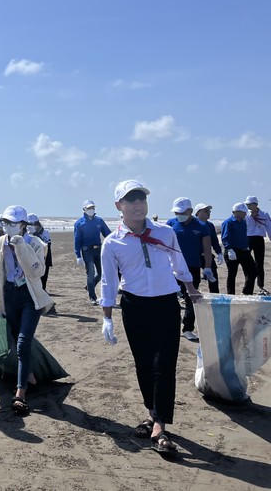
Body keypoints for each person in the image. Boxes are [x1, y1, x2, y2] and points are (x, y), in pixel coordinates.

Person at [100, 179, 197, 455]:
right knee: (143, 364)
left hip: (166, 305)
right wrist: (107, 317)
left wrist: (192, 291)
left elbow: (179, 264)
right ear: (119, 205)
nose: (138, 204)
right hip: (135, 307)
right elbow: (108, 282)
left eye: (141, 199)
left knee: (164, 364)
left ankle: (160, 426)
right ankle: (152, 412)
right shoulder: (112, 243)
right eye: (131, 200)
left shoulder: (165, 232)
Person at [0, 205, 53, 415]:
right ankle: (29, 373)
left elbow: (38, 271)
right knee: (16, 339)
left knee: (24, 341)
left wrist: (22, 248)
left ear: (23, 225)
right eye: (6, 222)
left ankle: (20, 392)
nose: (9, 226)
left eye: (13, 223)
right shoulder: (0, 243)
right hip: (10, 296)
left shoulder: (36, 244)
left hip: (30, 297)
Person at [166, 197, 213, 342]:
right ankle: (171, 326)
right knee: (170, 298)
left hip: (192, 267)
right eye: (176, 213)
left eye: (182, 212)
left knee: (191, 298)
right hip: (172, 268)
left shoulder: (201, 226)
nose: (179, 215)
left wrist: (207, 267)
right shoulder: (171, 224)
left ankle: (187, 329)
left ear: (191, 211)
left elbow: (207, 248)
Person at [74, 200, 111, 305]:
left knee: (101, 273)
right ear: (84, 209)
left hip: (98, 250)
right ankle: (92, 297)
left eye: (93, 208)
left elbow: (108, 234)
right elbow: (77, 240)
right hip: (87, 251)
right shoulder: (79, 223)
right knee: (90, 273)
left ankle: (90, 286)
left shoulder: (99, 221)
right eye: (89, 208)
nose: (91, 210)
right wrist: (78, 255)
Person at [221, 203, 257, 295]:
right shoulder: (228, 222)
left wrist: (246, 245)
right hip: (232, 251)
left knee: (252, 271)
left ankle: (247, 292)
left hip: (244, 251)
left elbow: (244, 235)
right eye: (244, 212)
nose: (245, 214)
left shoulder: (243, 222)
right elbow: (225, 237)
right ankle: (231, 295)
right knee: (232, 274)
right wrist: (229, 249)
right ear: (237, 212)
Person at [245, 196, 271, 295]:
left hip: (259, 239)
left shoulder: (264, 214)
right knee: (247, 262)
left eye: (249, 204)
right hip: (248, 239)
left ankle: (261, 286)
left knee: (260, 263)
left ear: (255, 204)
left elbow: (269, 227)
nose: (248, 206)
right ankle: (248, 284)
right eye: (247, 204)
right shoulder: (246, 214)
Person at [193, 203, 221, 293]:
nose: (208, 213)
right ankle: (190, 297)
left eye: (209, 211)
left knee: (213, 278)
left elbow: (214, 241)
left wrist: (219, 252)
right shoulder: (192, 225)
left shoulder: (210, 225)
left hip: (207, 256)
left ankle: (215, 297)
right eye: (205, 211)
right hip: (194, 256)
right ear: (197, 213)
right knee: (194, 279)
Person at [27, 214, 53, 291]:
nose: (31, 226)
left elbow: (46, 245)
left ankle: (43, 289)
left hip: (45, 255)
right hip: (32, 256)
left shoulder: (45, 232)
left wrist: (36, 235)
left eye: (33, 224)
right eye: (29, 224)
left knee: (44, 273)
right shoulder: (27, 233)